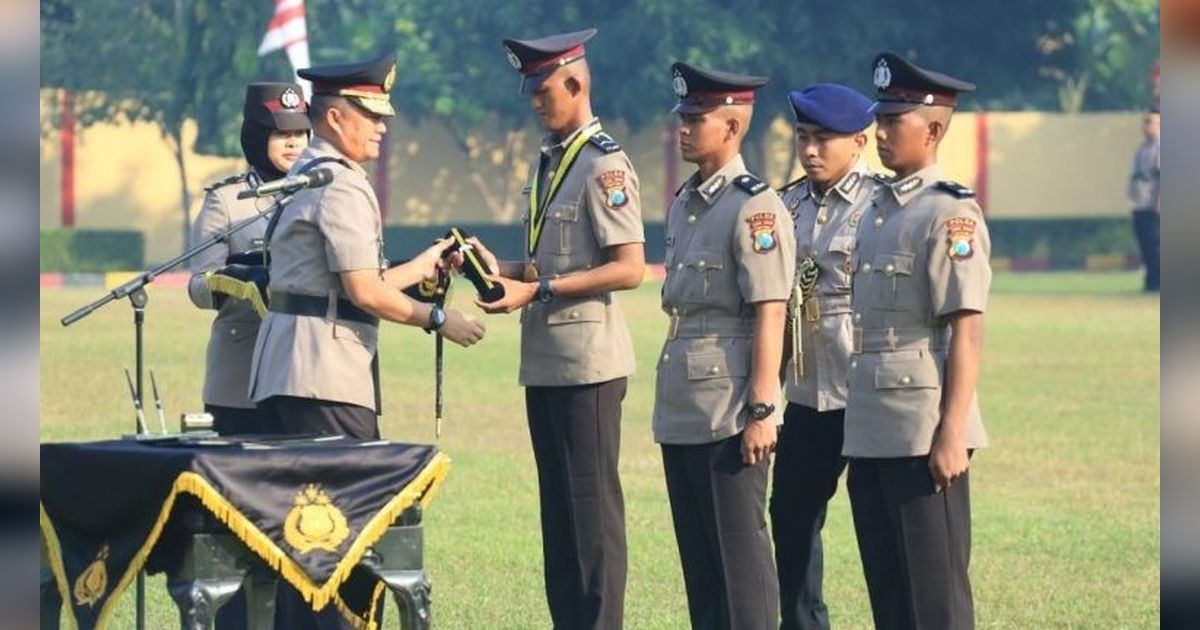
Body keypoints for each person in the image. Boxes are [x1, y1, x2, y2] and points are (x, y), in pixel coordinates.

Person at [464, 28, 645, 629]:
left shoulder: (604, 166)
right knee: (559, 519)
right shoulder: (550, 161)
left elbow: (629, 267)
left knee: (590, 518)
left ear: (576, 83)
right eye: (530, 91)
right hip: (546, 361)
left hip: (587, 366)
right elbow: (550, 264)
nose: (535, 102)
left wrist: (534, 288)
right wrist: (499, 269)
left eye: (544, 89)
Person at [248, 53, 486, 440]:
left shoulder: (309, 170)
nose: (382, 127)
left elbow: (345, 282)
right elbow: (363, 291)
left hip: (292, 369)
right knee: (346, 497)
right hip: (323, 376)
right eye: (371, 116)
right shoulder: (340, 182)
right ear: (336, 118)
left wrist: (421, 266)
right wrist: (440, 320)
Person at [844, 52, 991, 630]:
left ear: (932, 129)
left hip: (922, 427)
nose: (879, 133)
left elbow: (967, 331)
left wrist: (952, 432)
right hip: (872, 426)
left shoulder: (949, 214)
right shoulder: (877, 209)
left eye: (893, 122)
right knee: (890, 595)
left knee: (936, 602)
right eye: (878, 121)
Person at [654, 61, 794, 629]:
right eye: (682, 117)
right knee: (702, 564)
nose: (683, 128)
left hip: (730, 408)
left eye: (696, 118)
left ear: (732, 127)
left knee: (740, 559)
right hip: (683, 404)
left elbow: (771, 310)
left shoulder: (753, 207)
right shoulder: (686, 202)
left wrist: (762, 409)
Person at [770, 83, 879, 630]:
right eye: (804, 137)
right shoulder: (784, 205)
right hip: (807, 391)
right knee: (791, 516)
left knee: (879, 525)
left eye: (824, 140)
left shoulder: (881, 204)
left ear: (860, 141)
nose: (810, 150)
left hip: (866, 393)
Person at [187, 82, 310, 436]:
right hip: (242, 370)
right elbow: (198, 285)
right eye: (281, 133)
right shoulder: (226, 200)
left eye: (302, 133)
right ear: (256, 137)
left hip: (305, 369)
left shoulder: (322, 193)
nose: (294, 143)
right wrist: (238, 280)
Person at [1128, 102, 1159, 292]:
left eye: (1151, 122)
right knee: (1146, 244)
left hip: (1154, 203)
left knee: (1157, 245)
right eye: (1145, 122)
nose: (1147, 126)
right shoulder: (1143, 148)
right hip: (1141, 202)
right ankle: (1151, 282)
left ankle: (1160, 282)